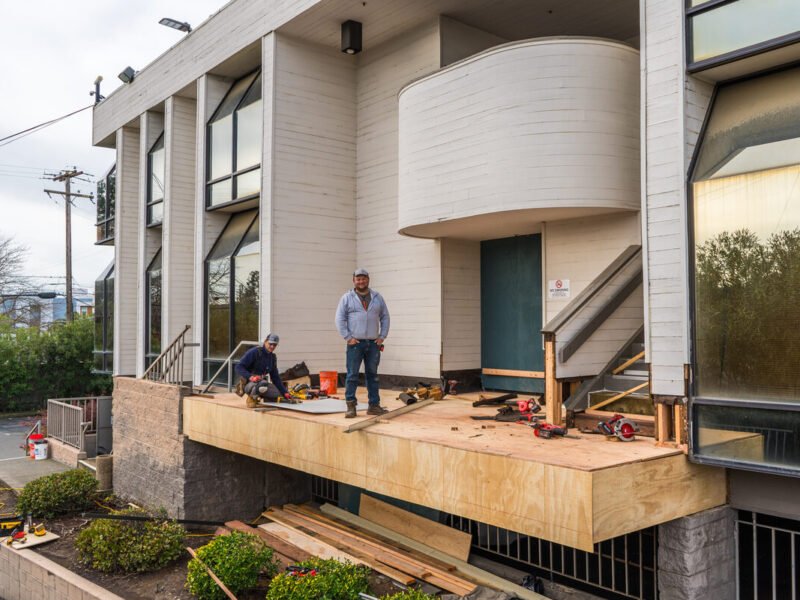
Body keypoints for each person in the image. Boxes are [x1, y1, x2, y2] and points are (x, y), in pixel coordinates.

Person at [335, 268, 390, 418]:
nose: (361, 281)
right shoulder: (347, 297)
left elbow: (385, 317)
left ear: (368, 279)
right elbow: (339, 319)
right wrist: (348, 337)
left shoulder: (377, 297)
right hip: (355, 343)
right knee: (352, 375)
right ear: (354, 280)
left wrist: (382, 336)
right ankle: (351, 406)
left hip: (373, 344)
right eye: (358, 279)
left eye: (363, 278)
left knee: (373, 375)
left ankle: (374, 405)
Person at [235, 333, 292, 408]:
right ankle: (251, 398)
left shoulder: (272, 358)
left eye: (274, 345)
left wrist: (285, 392)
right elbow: (238, 367)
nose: (272, 346)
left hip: (260, 383)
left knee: (278, 394)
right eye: (270, 344)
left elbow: (275, 377)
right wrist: (251, 377)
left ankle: (262, 397)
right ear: (265, 341)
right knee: (263, 385)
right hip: (249, 384)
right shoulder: (254, 352)